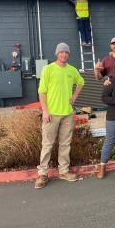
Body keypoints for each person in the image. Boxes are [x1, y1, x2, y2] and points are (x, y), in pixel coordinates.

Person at [35, 43, 84, 189]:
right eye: (61, 52)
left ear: (68, 55)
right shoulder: (48, 69)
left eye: (66, 53)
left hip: (67, 113)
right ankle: (43, 173)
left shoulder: (72, 70)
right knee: (47, 144)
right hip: (51, 114)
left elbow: (81, 82)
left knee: (65, 144)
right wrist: (45, 110)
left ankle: (63, 171)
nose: (64, 55)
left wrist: (74, 96)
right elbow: (42, 91)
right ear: (57, 54)